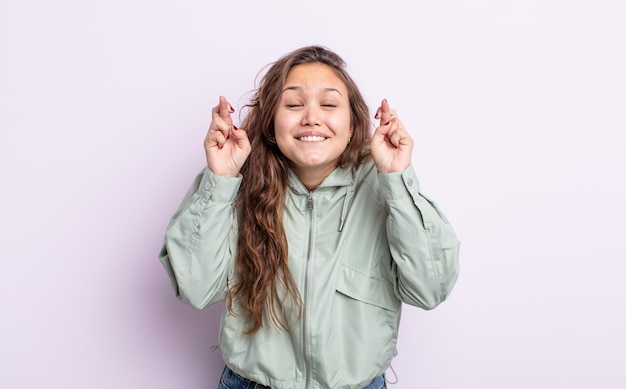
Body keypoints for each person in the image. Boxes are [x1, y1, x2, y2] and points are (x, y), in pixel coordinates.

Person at [159, 45, 460, 389]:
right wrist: (221, 180)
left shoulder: (383, 184)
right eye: (293, 104)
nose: (311, 117)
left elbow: (430, 288)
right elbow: (194, 289)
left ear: (352, 125)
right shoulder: (234, 182)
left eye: (329, 104)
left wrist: (396, 180)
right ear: (272, 122)